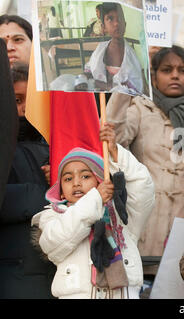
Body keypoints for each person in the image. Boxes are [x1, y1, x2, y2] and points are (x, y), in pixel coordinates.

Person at [106, 45, 184, 278]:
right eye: (167, 69)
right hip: (145, 223)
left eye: (183, 70)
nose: (176, 75)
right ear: (154, 76)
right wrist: (125, 87)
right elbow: (114, 139)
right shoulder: (140, 107)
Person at [31, 123, 155, 299]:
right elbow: (55, 241)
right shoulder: (52, 215)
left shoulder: (121, 214)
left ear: (100, 179)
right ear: (60, 189)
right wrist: (95, 199)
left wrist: (115, 151)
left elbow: (144, 186)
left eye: (85, 176)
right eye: (67, 178)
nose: (76, 183)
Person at [0, 63, 56, 299]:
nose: (24, 110)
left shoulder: (55, 146)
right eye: (17, 100)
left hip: (55, 272)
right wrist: (41, 194)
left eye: (30, 101)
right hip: (14, 270)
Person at [84, 2, 143, 95]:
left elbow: (134, 89)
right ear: (103, 28)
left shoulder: (131, 57)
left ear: (125, 24)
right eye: (110, 19)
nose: (116, 23)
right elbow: (89, 70)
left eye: (120, 19)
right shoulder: (101, 49)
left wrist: (104, 85)